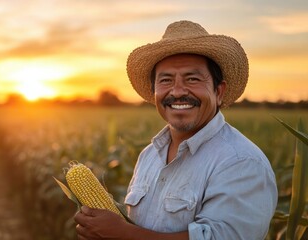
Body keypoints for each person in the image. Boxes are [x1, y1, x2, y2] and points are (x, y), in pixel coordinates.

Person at [74, 20, 278, 240]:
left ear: (219, 91)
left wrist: (123, 234)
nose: (178, 91)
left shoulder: (241, 162)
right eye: (166, 80)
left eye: (192, 78)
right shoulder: (149, 156)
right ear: (154, 93)